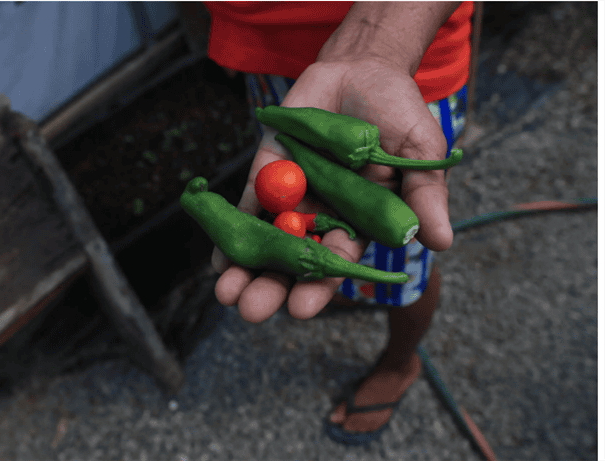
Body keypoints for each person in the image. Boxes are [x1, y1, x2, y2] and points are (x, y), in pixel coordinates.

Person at [202, 1, 474, 445]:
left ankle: (400, 362)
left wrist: (376, 42)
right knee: (295, 175)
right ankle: (352, 290)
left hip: (403, 66)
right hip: (276, 63)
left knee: (407, 262)